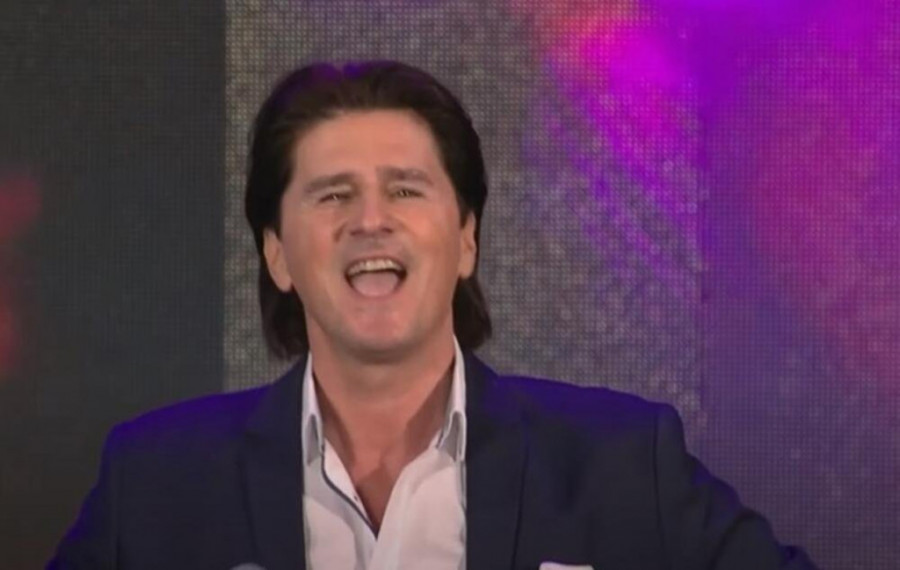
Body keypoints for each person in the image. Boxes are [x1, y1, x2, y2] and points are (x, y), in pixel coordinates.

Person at [49, 61, 817, 570]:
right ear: (277, 254)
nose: (370, 220)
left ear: (466, 240)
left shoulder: (623, 467)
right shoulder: (157, 483)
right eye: (333, 194)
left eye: (405, 190)